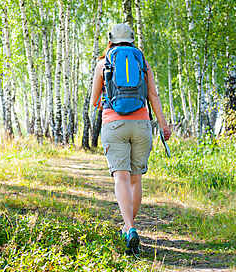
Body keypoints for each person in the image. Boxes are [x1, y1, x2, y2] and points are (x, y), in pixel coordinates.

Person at [90, 23, 171, 254]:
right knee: (136, 179)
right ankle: (129, 228)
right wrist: (163, 125)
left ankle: (129, 227)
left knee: (121, 179)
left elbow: (95, 100)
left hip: (114, 124)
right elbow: (153, 96)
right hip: (142, 124)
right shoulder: (142, 63)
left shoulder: (103, 63)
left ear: (111, 40)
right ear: (132, 41)